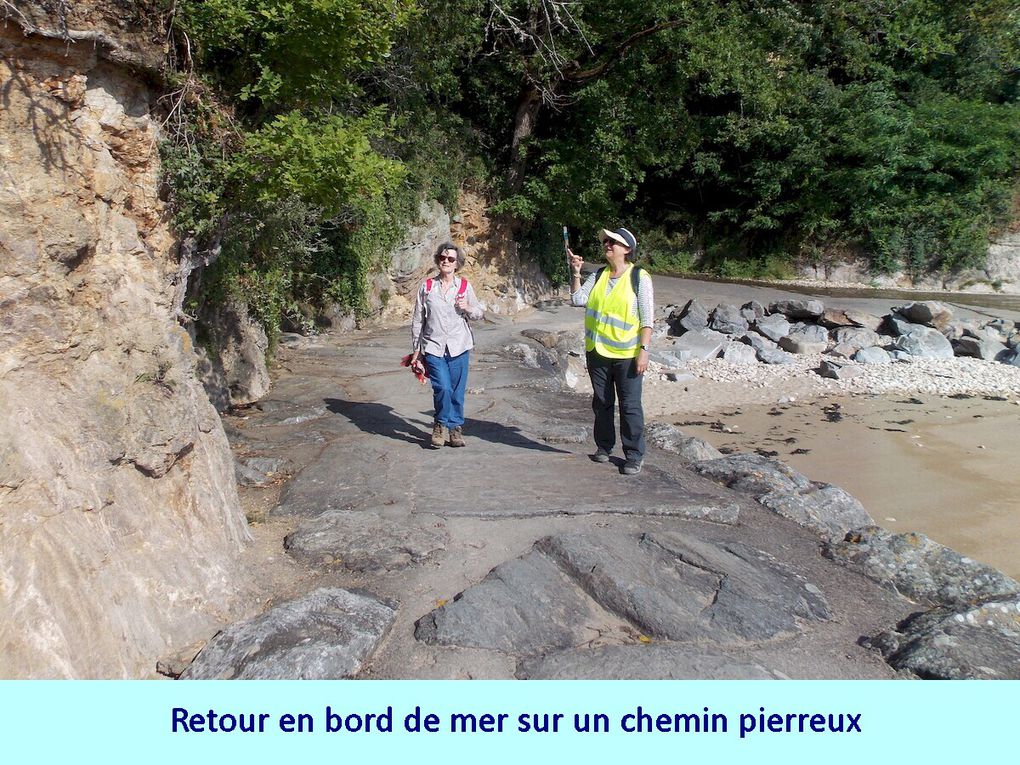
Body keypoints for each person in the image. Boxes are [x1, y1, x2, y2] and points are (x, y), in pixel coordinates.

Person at [568, 227, 654, 475]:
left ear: (626, 249)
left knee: (630, 405)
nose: (607, 244)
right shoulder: (598, 275)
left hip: (627, 353)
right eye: (606, 241)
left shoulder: (639, 277)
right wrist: (575, 274)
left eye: (612, 242)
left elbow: (647, 318)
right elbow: (577, 300)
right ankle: (604, 447)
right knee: (602, 402)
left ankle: (634, 456)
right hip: (597, 351)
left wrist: (644, 350)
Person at [410, 242, 484, 448]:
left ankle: (455, 429)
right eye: (443, 258)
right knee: (442, 387)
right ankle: (440, 424)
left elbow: (479, 313)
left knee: (457, 391)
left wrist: (468, 307)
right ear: (437, 260)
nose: (446, 261)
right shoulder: (426, 287)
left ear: (457, 263)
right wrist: (416, 350)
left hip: (459, 346)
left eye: (451, 259)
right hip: (433, 346)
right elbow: (418, 319)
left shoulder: (464, 286)